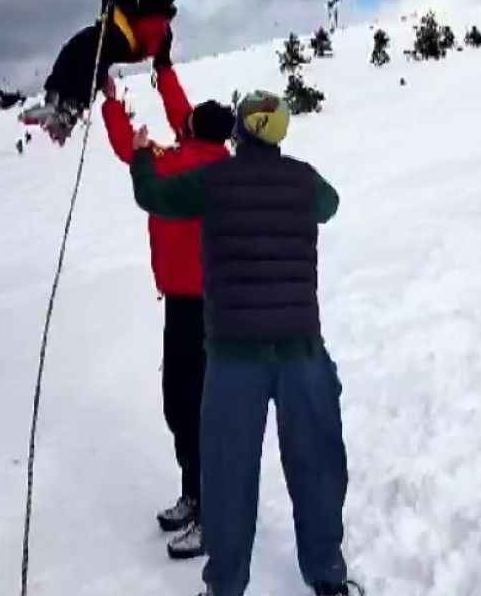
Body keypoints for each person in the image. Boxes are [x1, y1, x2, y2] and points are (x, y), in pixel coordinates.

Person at [129, 91, 357, 596]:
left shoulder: (214, 182)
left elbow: (155, 197)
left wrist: (144, 156)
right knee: (317, 467)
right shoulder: (305, 181)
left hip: (234, 357)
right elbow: (331, 204)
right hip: (301, 350)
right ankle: (327, 577)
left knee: (228, 476)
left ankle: (225, 586)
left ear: (240, 131)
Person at [101, 59, 235, 559]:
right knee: (183, 403)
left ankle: (209, 511)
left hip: (202, 306)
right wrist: (164, 69)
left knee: (192, 406)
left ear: (196, 130)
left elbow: (128, 153)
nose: (183, 118)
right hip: (188, 303)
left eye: (190, 118)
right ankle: (194, 493)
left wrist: (114, 106)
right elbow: (181, 110)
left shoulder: (185, 166)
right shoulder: (206, 151)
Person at [22, 0, 188, 144]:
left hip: (131, 40)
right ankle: (54, 96)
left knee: (94, 54)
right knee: (76, 46)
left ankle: (73, 105)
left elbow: (149, 12)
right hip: (114, 27)